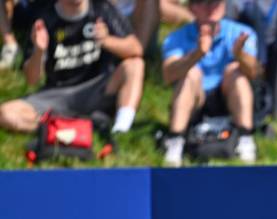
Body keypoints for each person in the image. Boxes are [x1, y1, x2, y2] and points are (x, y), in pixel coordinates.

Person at [0, 0, 144, 134]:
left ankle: (121, 129)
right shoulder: (44, 17)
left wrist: (106, 41)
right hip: (57, 95)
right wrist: (39, 51)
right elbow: (32, 80)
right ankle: (69, 127)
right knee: (6, 114)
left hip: (97, 88)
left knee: (135, 65)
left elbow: (135, 49)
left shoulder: (102, 8)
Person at [161, 0, 260, 166]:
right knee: (190, 74)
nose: (211, 7)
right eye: (203, 2)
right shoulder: (176, 37)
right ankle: (175, 142)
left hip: (227, 100)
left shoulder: (242, 32)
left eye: (216, 2)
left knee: (236, 71)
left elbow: (254, 73)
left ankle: (245, 138)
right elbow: (168, 75)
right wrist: (197, 54)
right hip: (195, 100)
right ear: (191, 8)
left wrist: (240, 55)